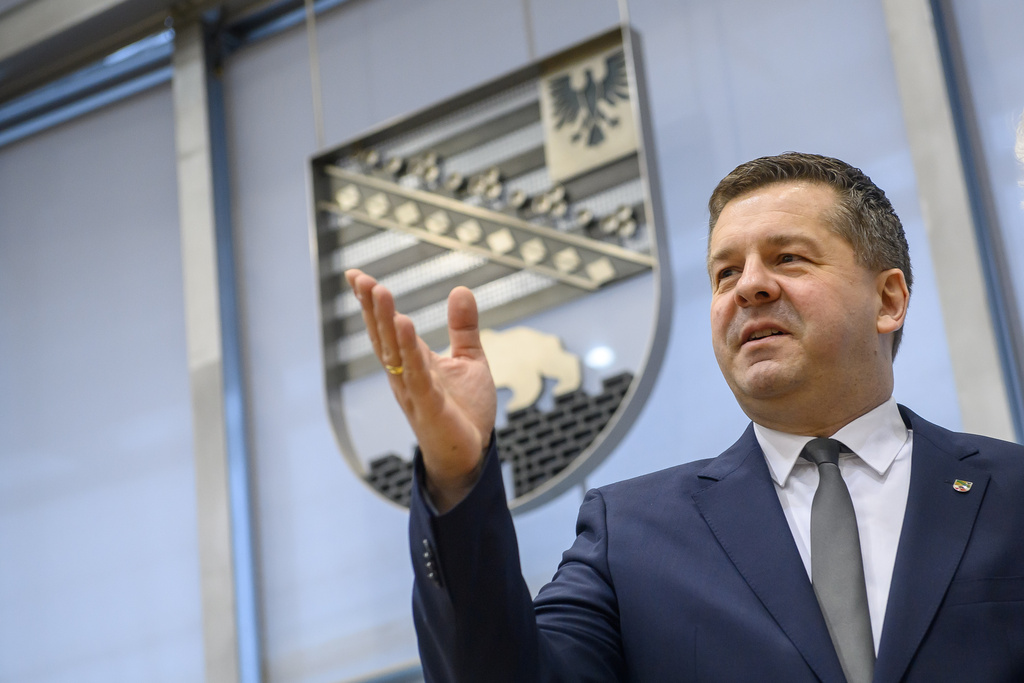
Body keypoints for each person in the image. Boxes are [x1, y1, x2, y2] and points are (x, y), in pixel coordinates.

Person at [345, 152, 1024, 682]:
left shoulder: (1011, 492)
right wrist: (458, 478)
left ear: (889, 300)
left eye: (788, 257)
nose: (749, 285)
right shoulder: (631, 538)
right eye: (725, 273)